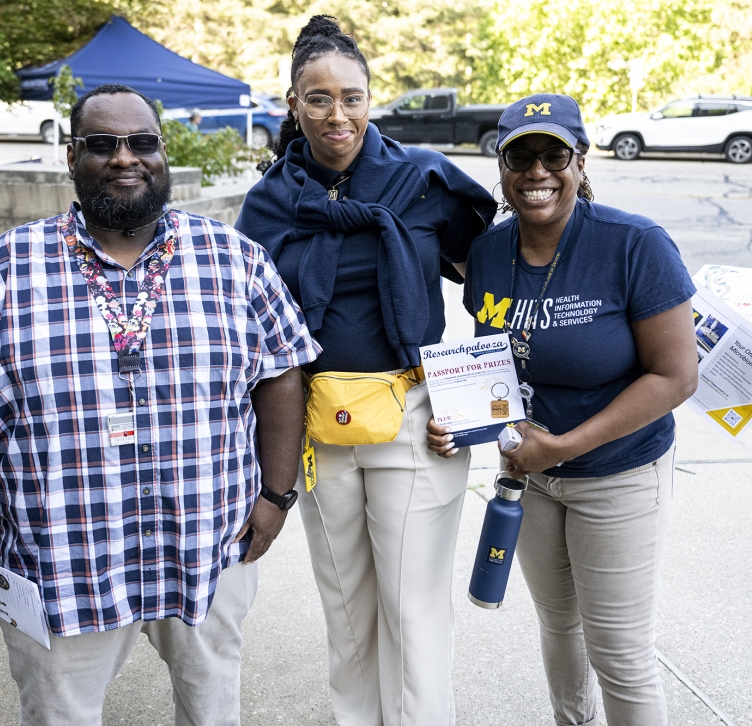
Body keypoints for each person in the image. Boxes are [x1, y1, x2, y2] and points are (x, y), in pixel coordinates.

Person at [0, 83, 319, 726]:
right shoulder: (4, 267)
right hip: (62, 554)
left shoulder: (236, 261)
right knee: (59, 714)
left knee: (213, 706)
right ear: (71, 156)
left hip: (206, 543)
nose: (124, 157)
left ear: (163, 153)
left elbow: (281, 375)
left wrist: (276, 494)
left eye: (142, 143)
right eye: (102, 144)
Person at [236, 16, 497, 726]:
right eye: (317, 98)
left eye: (351, 96)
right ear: (292, 104)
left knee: (412, 613)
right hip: (320, 427)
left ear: (371, 98)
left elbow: (494, 278)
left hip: (418, 421)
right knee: (348, 611)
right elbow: (246, 329)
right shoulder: (268, 203)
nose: (336, 114)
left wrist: (480, 403)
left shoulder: (422, 180)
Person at [429, 94, 698, 726]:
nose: (536, 171)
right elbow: (495, 361)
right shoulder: (490, 253)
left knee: (621, 653)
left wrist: (564, 446)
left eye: (554, 154)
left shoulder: (634, 244)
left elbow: (676, 375)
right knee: (559, 627)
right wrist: (465, 423)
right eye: (519, 155)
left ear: (580, 160)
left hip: (618, 475)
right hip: (531, 479)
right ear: (500, 166)